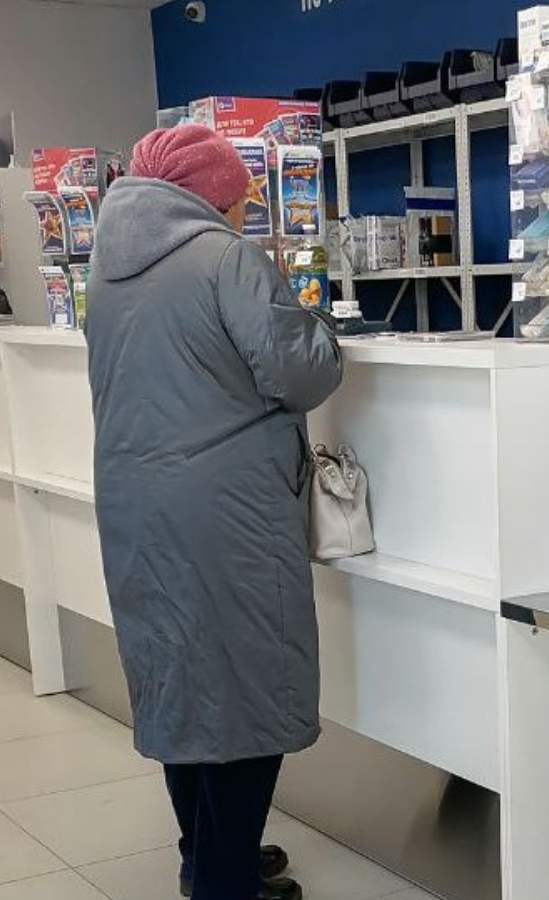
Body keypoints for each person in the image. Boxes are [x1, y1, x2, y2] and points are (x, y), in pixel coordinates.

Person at [86, 125, 343, 900]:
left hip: (135, 504)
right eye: (239, 200)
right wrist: (323, 332)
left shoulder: (107, 269)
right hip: (224, 515)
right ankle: (225, 884)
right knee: (247, 691)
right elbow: (302, 375)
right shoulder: (226, 260)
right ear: (213, 197)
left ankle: (204, 856)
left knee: (182, 685)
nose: (243, 214)